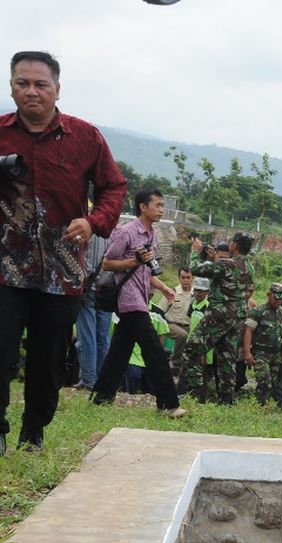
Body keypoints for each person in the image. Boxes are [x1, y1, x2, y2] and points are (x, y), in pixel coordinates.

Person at [0, 51, 127, 454]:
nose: (31, 91)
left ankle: (33, 432)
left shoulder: (85, 137)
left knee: (48, 357)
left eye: (41, 84)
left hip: (63, 268)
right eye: (23, 83)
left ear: (57, 89)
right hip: (5, 266)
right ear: (11, 87)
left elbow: (113, 187)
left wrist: (94, 221)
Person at [91, 189, 185, 417]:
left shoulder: (151, 234)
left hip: (141, 297)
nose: (162, 209)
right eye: (158, 205)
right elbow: (108, 263)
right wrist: (135, 259)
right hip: (128, 299)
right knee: (154, 350)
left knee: (119, 352)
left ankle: (100, 397)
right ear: (143, 207)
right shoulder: (127, 232)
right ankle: (168, 404)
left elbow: (144, 270)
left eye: (163, 205)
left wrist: (163, 287)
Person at [177, 233, 255, 405]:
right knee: (227, 356)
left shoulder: (227, 263)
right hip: (238, 316)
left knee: (193, 349)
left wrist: (196, 252)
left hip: (220, 314)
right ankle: (226, 399)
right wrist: (214, 260)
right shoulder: (249, 266)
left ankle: (195, 393)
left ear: (234, 245)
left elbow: (196, 269)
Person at [73, 233, 112, 391]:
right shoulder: (111, 231)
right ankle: (100, 379)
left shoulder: (91, 232)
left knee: (87, 336)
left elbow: (89, 263)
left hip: (89, 287)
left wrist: (80, 282)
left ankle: (89, 379)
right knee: (103, 337)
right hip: (107, 288)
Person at [243, 283, 282, 407]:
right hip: (261, 353)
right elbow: (249, 331)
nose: (278, 301)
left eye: (281, 299)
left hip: (276, 353)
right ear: (269, 295)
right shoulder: (258, 311)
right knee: (264, 381)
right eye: (276, 298)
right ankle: (260, 405)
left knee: (275, 382)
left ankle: (276, 405)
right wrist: (247, 352)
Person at [160, 266, 194, 361]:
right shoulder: (172, 293)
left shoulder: (196, 294)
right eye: (183, 277)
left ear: (192, 278)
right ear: (179, 278)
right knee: (183, 335)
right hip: (171, 324)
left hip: (189, 326)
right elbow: (160, 310)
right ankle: (175, 361)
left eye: (188, 277)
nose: (185, 280)